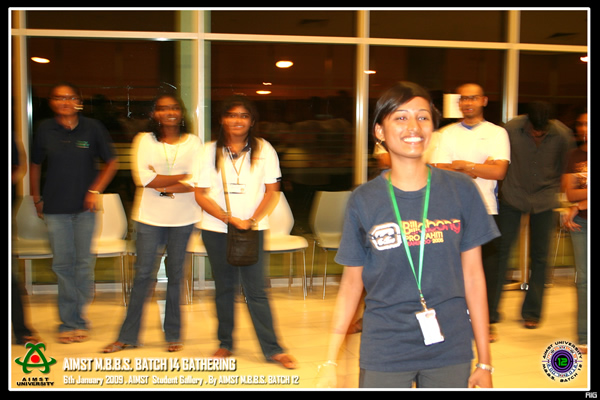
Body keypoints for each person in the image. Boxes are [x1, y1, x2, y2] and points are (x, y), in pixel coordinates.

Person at [318, 82, 498, 389]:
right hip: (385, 347)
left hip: (449, 347)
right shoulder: (364, 199)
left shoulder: (461, 190)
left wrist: (484, 361)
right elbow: (350, 285)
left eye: (422, 117)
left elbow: (473, 277)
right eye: (400, 117)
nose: (413, 126)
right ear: (379, 131)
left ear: (433, 128)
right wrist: (330, 361)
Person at [195, 95, 296, 369]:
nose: (237, 120)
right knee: (224, 289)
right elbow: (200, 194)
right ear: (222, 119)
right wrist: (228, 218)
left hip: (252, 229)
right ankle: (225, 344)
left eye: (244, 115)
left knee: (257, 291)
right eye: (231, 114)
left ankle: (273, 349)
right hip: (216, 229)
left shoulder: (264, 149)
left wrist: (250, 220)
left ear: (252, 121)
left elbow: (272, 192)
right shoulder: (208, 151)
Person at [104, 93, 202, 353]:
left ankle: (173, 334)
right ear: (154, 114)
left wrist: (163, 183)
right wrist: (181, 178)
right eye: (163, 108)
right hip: (149, 219)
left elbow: (197, 180)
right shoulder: (144, 140)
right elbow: (143, 179)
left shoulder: (193, 142)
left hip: (185, 219)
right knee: (143, 276)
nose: (169, 112)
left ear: (181, 112)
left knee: (176, 276)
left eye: (174, 108)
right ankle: (128, 336)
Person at [30, 82, 118, 344]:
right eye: (59, 98)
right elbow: (35, 164)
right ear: (51, 102)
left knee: (83, 265)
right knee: (62, 265)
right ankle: (68, 322)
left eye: (70, 97)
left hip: (85, 210)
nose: (65, 102)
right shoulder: (45, 129)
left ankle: (78, 318)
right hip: (55, 209)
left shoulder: (93, 128)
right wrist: (36, 197)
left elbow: (112, 162)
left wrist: (94, 190)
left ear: (79, 101)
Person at [431, 83, 510, 342]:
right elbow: (438, 170)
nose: (467, 103)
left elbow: (499, 172)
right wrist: (478, 168)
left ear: (484, 100)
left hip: (485, 208)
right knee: (451, 268)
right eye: (463, 99)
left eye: (473, 98)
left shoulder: (497, 133)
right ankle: (455, 320)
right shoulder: (445, 134)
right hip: (450, 210)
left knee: (485, 269)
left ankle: (485, 322)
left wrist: (462, 165)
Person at [491, 101, 574, 330]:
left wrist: (558, 194)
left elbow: (564, 169)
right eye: (534, 130)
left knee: (541, 257)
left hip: (545, 199)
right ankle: (492, 311)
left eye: (542, 131)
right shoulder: (511, 129)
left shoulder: (562, 134)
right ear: (527, 120)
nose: (538, 133)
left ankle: (532, 312)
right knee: (501, 253)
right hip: (513, 196)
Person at [561, 108, 588, 354]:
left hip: (579, 213)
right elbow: (570, 193)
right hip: (581, 224)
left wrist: (580, 204)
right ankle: (585, 335)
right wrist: (578, 204)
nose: (584, 129)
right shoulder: (573, 155)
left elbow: (577, 198)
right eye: (581, 124)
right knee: (583, 280)